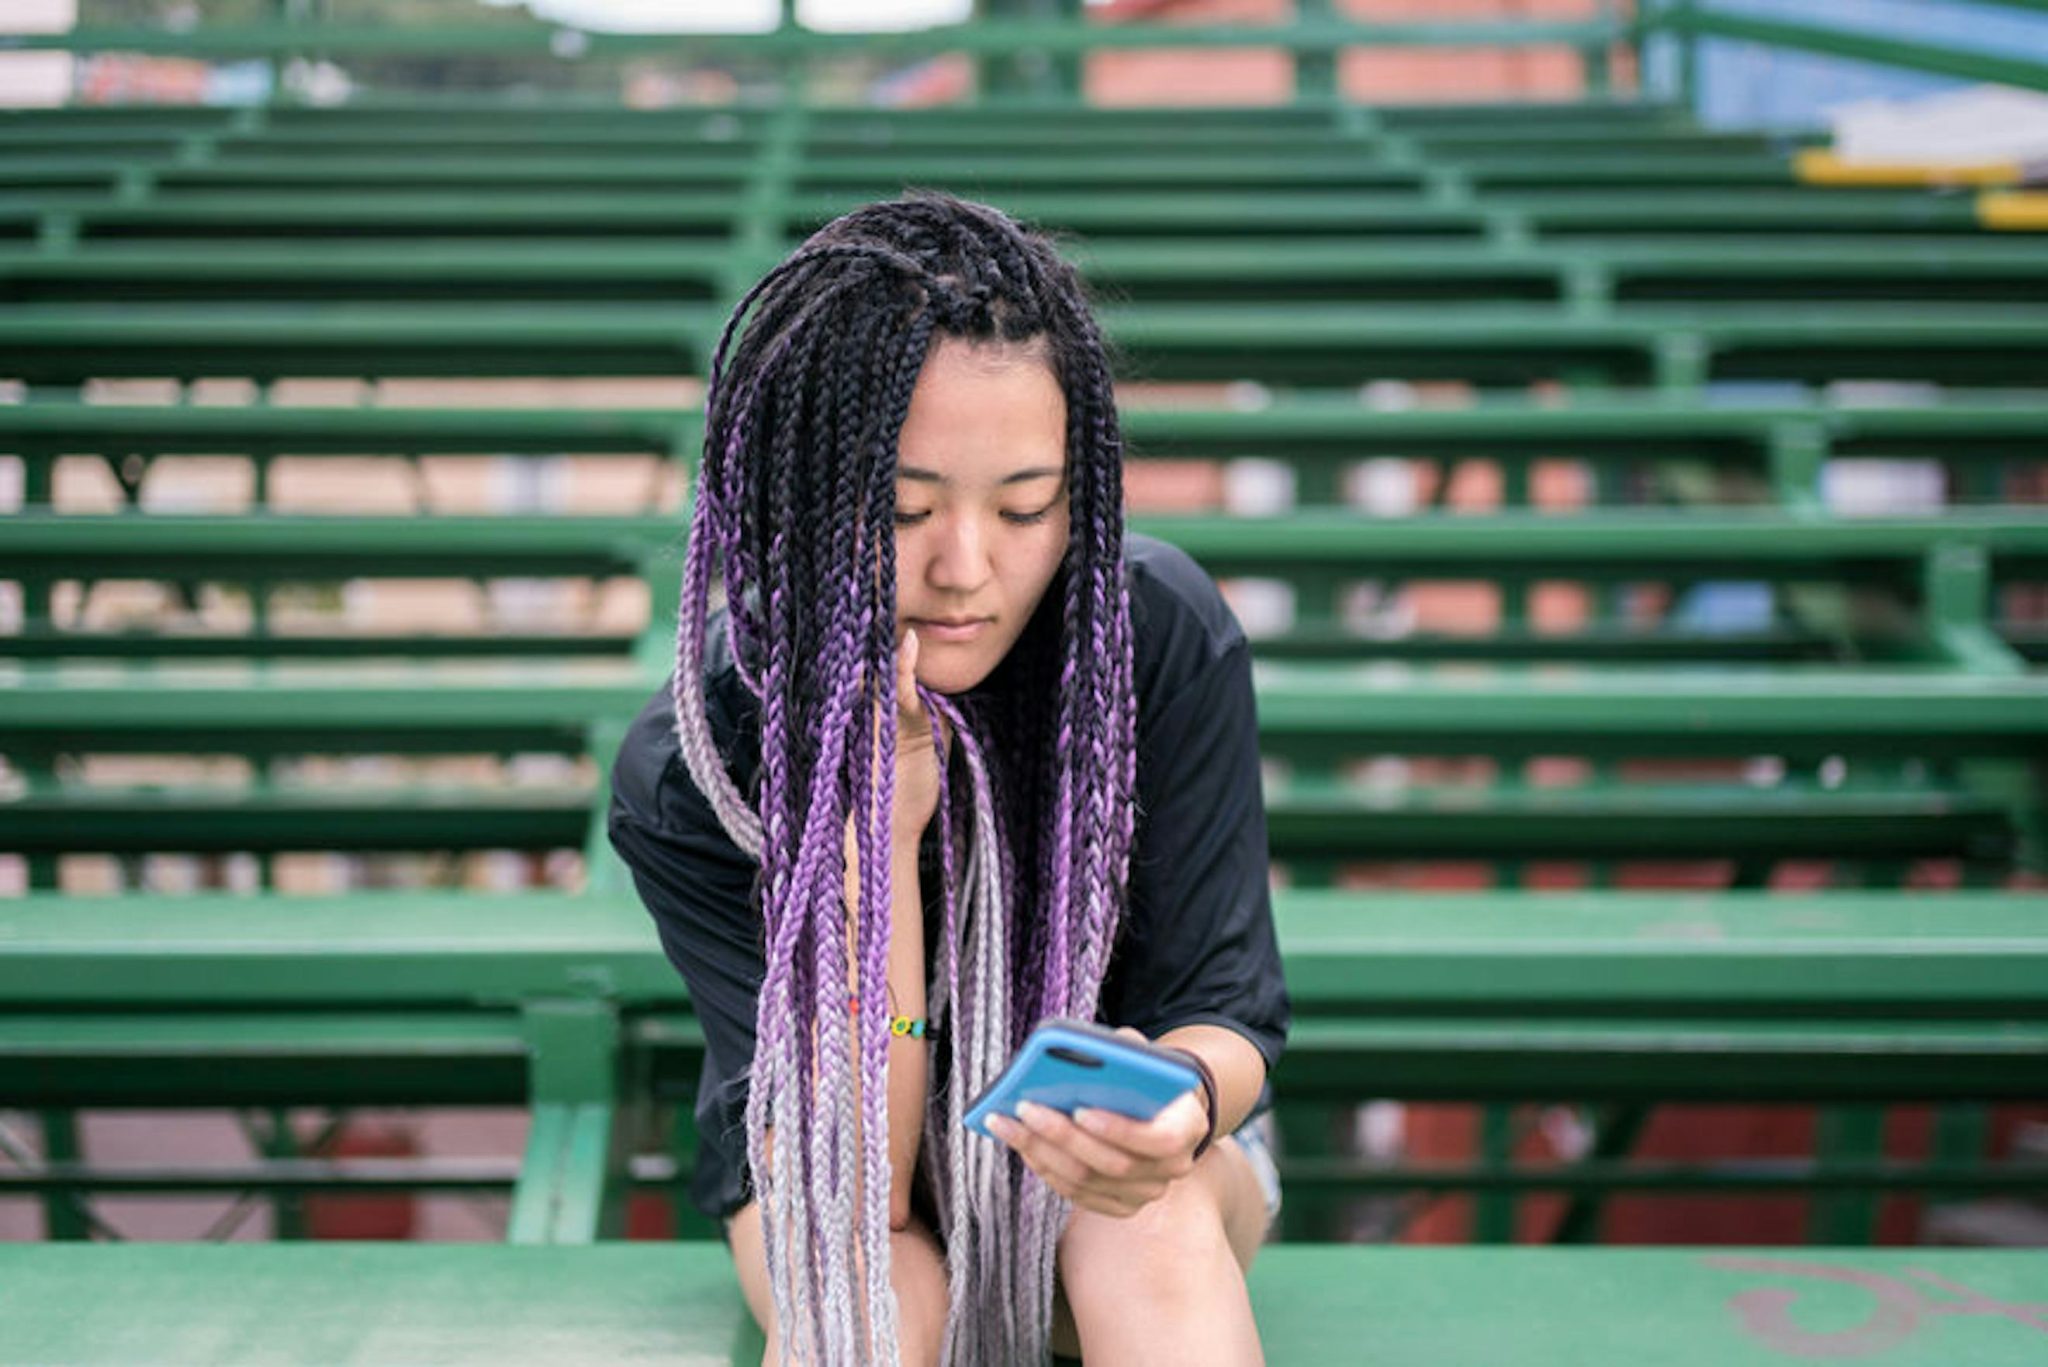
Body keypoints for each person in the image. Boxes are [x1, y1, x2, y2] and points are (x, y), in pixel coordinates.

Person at [607, 189, 1289, 1367]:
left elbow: (1226, 1016)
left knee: (1149, 1230)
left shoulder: (1151, 636)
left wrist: (1175, 1099)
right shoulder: (699, 757)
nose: (963, 566)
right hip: (825, 1171)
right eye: (903, 507)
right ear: (797, 498)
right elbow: (857, 1188)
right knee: (865, 1307)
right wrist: (882, 828)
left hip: (1123, 1173)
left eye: (1025, 508)